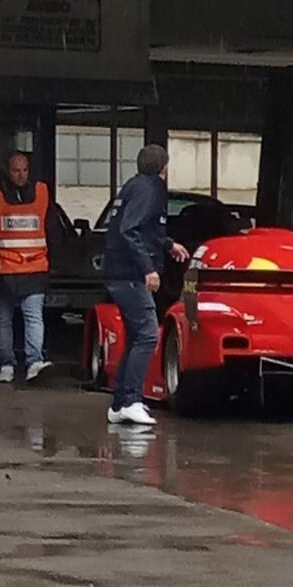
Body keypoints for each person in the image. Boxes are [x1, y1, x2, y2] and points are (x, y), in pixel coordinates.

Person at [102, 144, 183, 430]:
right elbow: (130, 230)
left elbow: (143, 229)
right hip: (130, 276)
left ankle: (120, 403)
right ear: (162, 165)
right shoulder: (149, 189)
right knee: (148, 335)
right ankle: (130, 401)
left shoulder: (133, 187)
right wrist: (148, 268)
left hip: (118, 273)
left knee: (137, 336)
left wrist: (168, 244)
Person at [0, 147, 53, 384]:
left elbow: (52, 231)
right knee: (11, 318)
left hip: (26, 269)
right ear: (7, 171)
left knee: (24, 317)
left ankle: (28, 362)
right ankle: (10, 363)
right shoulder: (39, 193)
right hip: (8, 269)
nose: (21, 175)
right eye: (16, 170)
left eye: (24, 170)